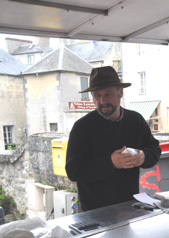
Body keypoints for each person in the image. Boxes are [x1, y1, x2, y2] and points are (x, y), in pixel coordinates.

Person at [66, 66, 161, 211]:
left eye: (108, 94)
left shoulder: (135, 120)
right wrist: (110, 162)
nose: (102, 100)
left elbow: (154, 150)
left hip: (130, 207)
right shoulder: (82, 128)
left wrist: (143, 156)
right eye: (97, 95)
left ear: (120, 92)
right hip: (95, 212)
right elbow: (73, 171)